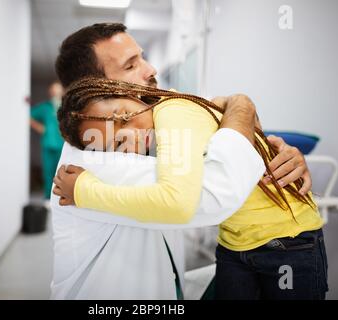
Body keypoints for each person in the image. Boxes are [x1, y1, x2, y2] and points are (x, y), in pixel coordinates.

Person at [50, 23, 313, 299]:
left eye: (141, 57)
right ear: (94, 88)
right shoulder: (89, 164)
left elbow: (216, 124)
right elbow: (217, 192)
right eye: (130, 66)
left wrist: (275, 155)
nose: (151, 69)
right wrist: (243, 106)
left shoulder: (142, 123)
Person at [30, 82, 65, 200]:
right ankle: (48, 198)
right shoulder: (45, 107)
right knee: (48, 173)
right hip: (48, 145)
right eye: (53, 90)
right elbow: (28, 115)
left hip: (63, 145)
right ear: (50, 92)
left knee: (62, 174)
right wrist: (40, 128)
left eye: (58, 90)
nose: (56, 92)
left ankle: (60, 199)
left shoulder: (66, 107)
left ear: (62, 92)